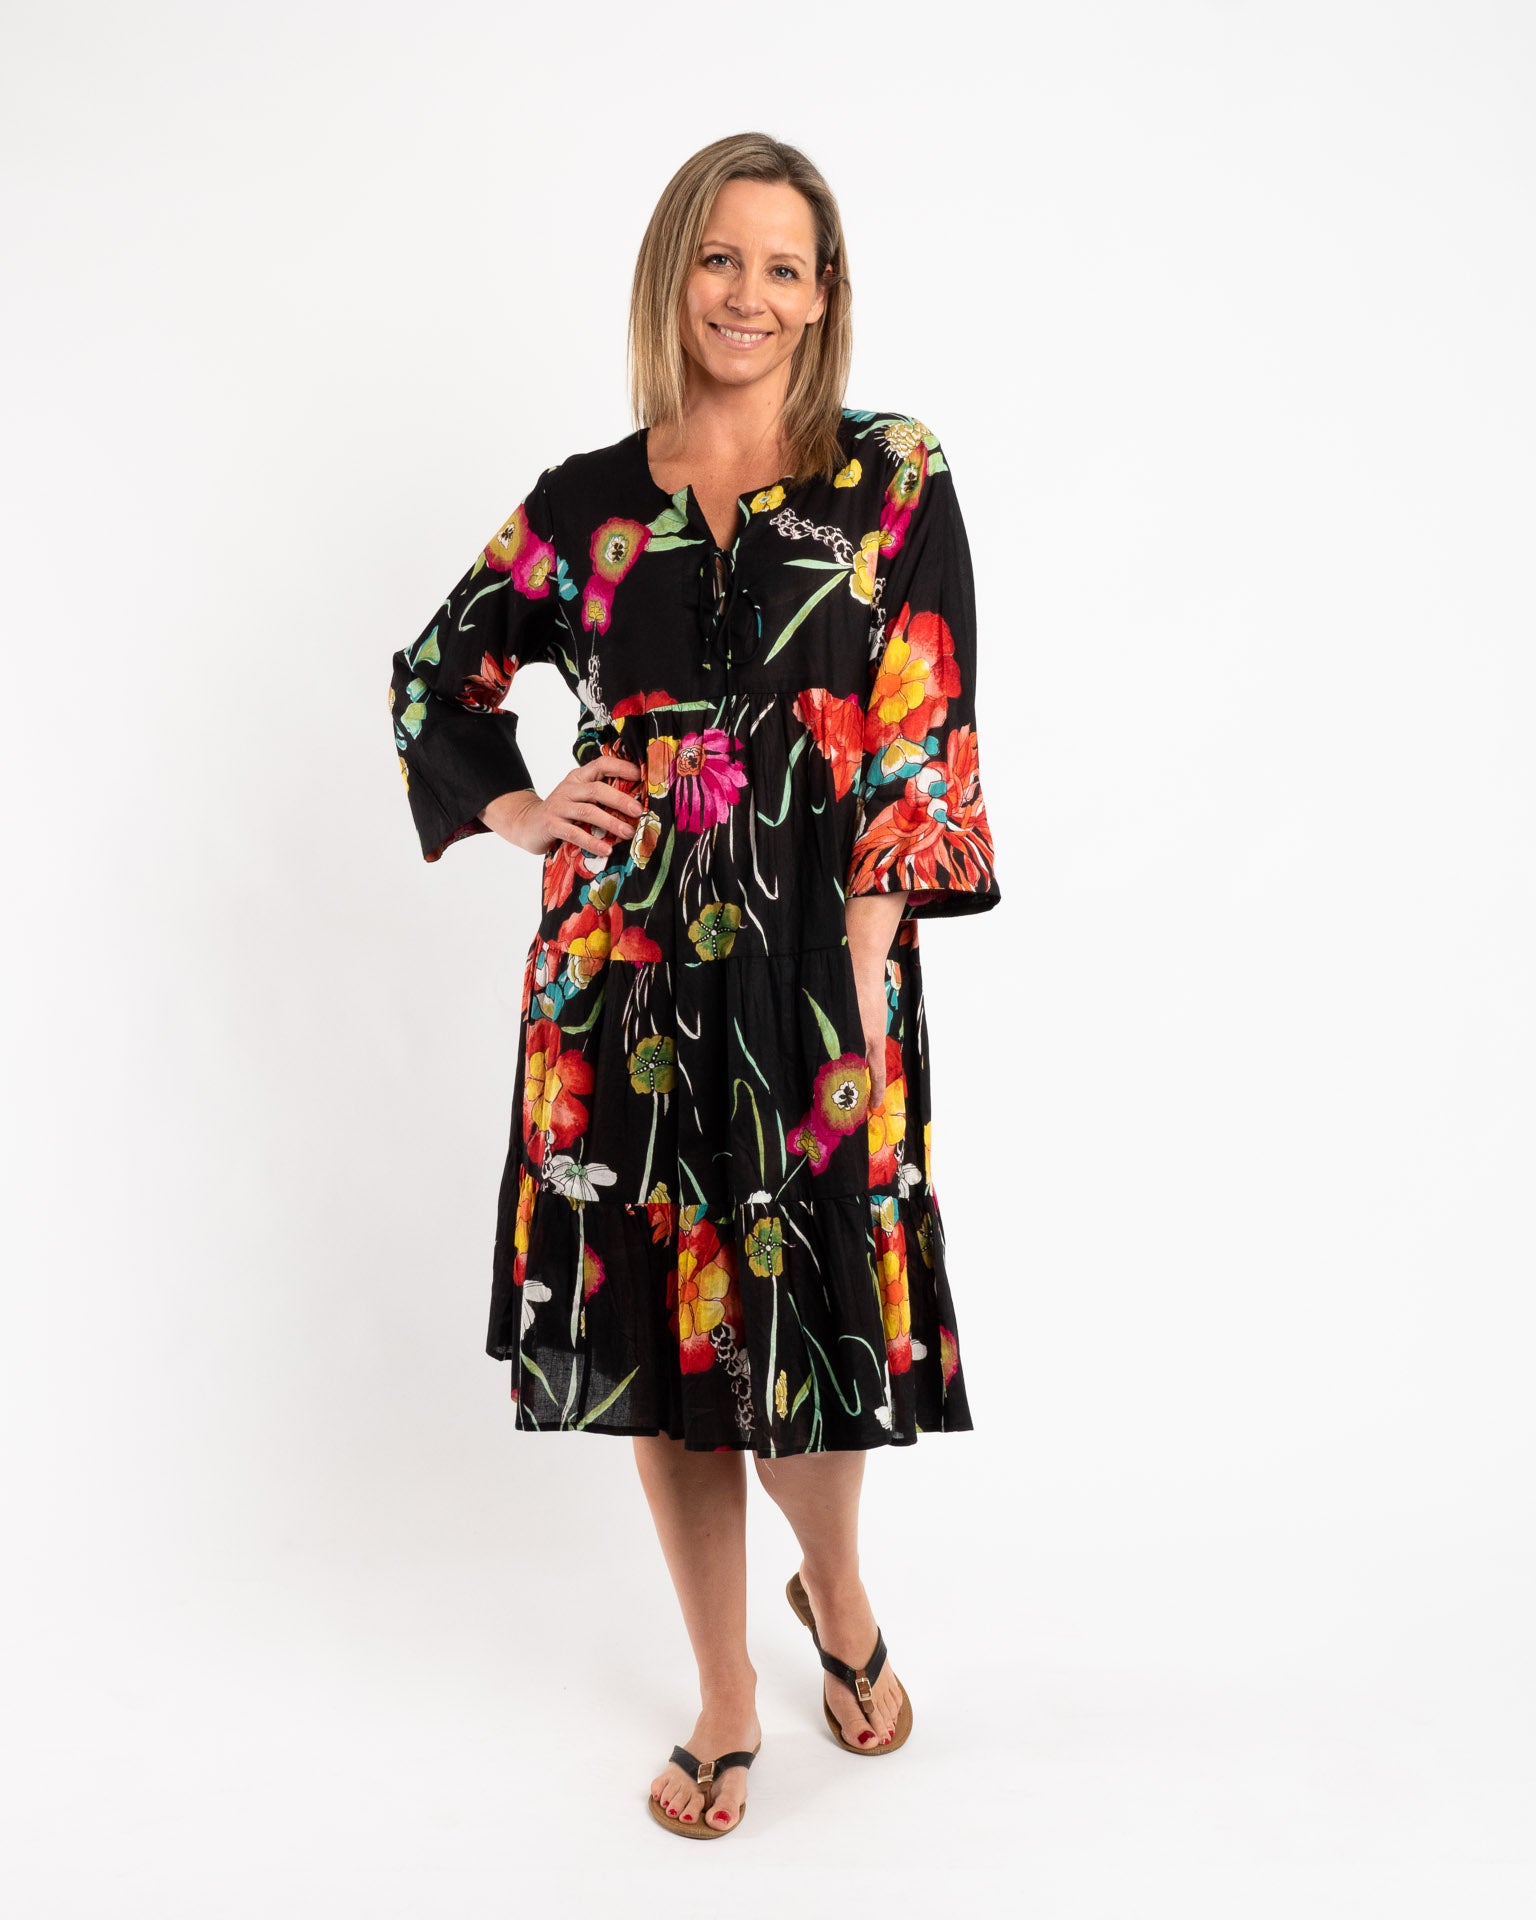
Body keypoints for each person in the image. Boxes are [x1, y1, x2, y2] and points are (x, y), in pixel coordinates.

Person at [387, 131, 1001, 1839]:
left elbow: (925, 726)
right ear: (677, 274)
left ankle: (839, 1596)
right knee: (670, 1341)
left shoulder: (892, 475)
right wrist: (524, 808)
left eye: (783, 266)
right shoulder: (585, 503)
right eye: (721, 258)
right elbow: (436, 678)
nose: (749, 293)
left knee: (814, 1332)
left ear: (823, 294)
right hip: (624, 979)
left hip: (819, 970)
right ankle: (727, 1690)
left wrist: (866, 962)